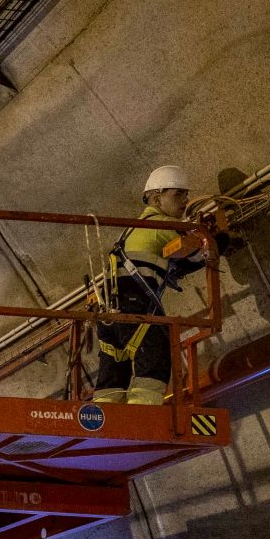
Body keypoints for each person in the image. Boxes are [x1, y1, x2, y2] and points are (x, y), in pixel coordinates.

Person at [95, 165, 208, 404]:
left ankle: (103, 418)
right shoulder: (161, 225)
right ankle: (143, 416)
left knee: (114, 371)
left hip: (109, 312)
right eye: (178, 194)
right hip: (136, 306)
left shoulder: (131, 231)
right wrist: (218, 240)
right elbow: (198, 255)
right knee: (154, 361)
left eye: (185, 195)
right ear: (157, 198)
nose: (185, 201)